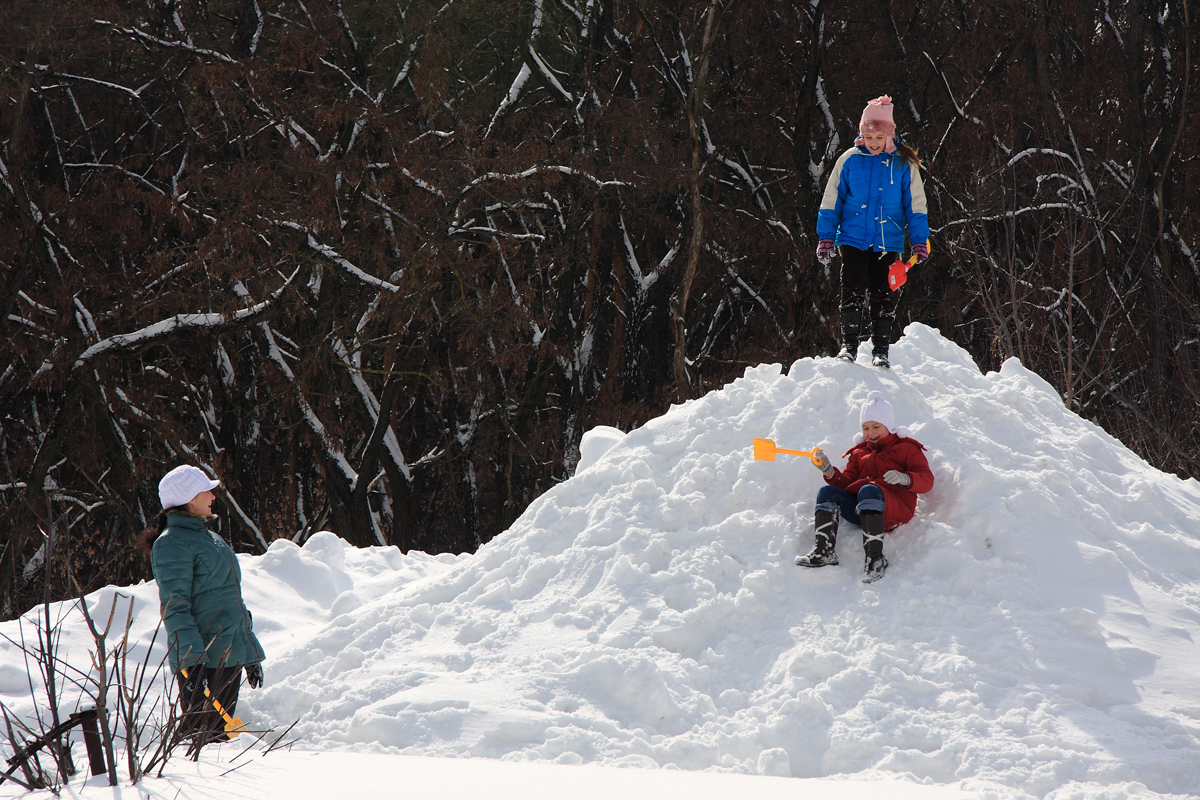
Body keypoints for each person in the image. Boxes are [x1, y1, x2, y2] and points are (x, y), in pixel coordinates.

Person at [141, 465, 265, 748]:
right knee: (203, 746)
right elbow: (175, 608)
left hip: (226, 657)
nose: (212, 495)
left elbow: (229, 600)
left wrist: (248, 653)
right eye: (205, 490)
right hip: (203, 662)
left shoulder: (210, 539)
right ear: (189, 499)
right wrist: (192, 665)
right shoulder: (172, 544)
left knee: (218, 742)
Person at [816, 95, 930, 368]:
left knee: (883, 293)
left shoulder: (903, 165)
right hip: (853, 237)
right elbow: (831, 201)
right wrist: (826, 236)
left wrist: (918, 241)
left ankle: (881, 349)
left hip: (887, 241)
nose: (874, 143)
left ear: (889, 135)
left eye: (879, 137)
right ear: (861, 135)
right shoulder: (849, 161)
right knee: (851, 288)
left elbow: (915, 205)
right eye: (869, 137)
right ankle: (849, 345)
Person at [796, 391, 933, 582]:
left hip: (895, 509)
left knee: (869, 490)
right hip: (865, 509)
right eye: (866, 428)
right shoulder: (859, 453)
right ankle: (824, 551)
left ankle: (875, 559)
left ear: (889, 426)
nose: (871, 433)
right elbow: (847, 483)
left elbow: (927, 480)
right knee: (827, 492)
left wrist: (905, 478)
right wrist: (829, 471)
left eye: (876, 426)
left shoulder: (906, 448)